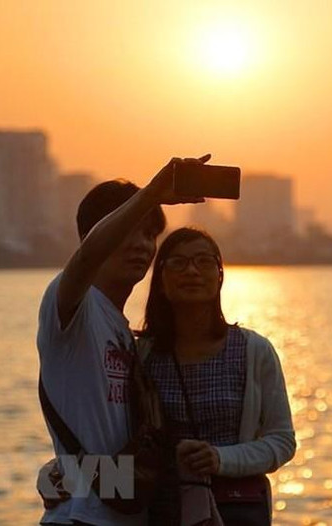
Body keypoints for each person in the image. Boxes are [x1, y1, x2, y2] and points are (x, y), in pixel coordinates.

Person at [37, 156, 207, 526]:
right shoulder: (70, 309)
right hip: (79, 518)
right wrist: (152, 194)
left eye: (150, 234)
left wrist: (61, 473)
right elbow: (87, 258)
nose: (142, 246)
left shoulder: (125, 332)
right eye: (130, 231)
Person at [139, 227, 296, 525]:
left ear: (220, 275)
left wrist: (220, 459)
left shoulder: (254, 350)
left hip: (234, 509)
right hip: (161, 510)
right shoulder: (142, 355)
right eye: (178, 263)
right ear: (160, 280)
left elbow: (282, 441)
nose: (192, 271)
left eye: (204, 261)